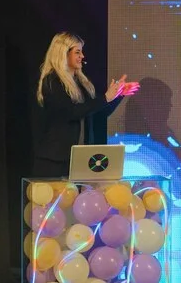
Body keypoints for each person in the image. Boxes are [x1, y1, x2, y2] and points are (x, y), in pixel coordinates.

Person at [33, 32, 138, 177]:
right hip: (56, 160)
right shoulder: (52, 82)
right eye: (77, 52)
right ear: (63, 53)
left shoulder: (82, 83)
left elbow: (99, 113)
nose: (82, 56)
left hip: (81, 158)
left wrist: (118, 95)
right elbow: (72, 112)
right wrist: (105, 98)